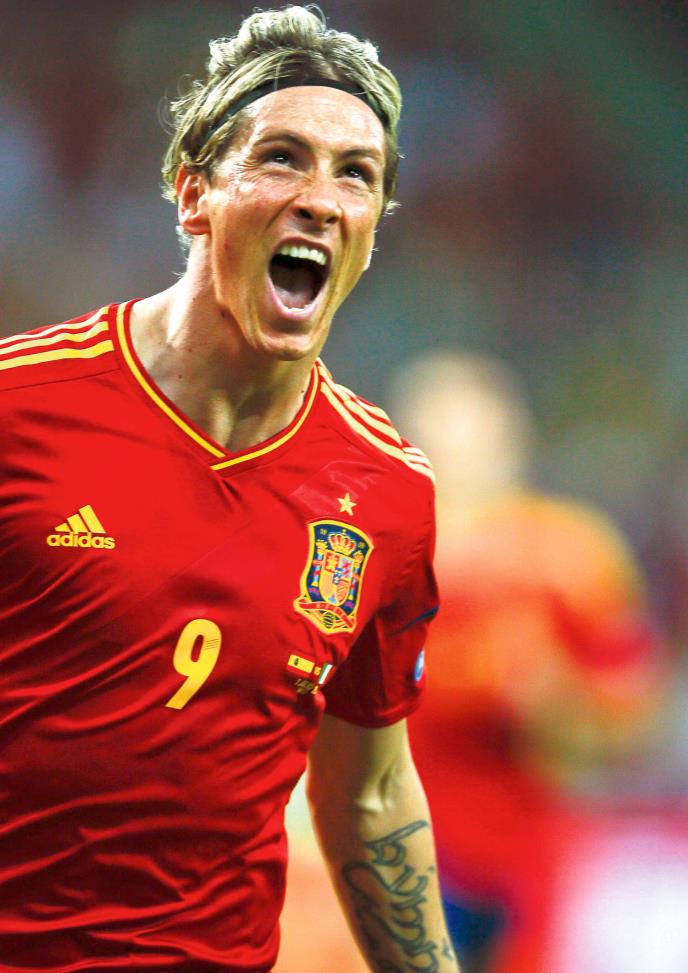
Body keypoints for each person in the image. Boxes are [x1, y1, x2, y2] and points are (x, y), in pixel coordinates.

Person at [0, 7, 460, 973]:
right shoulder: (21, 408)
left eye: (356, 174)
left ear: (371, 230)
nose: (320, 200)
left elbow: (371, 792)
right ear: (192, 193)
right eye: (282, 159)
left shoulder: (386, 493)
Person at [392, 351, 667, 973]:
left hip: (522, 863)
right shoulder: (370, 560)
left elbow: (632, 718)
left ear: (512, 445)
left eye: (470, 442)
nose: (453, 462)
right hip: (392, 850)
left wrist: (550, 699)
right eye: (432, 439)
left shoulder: (570, 557)